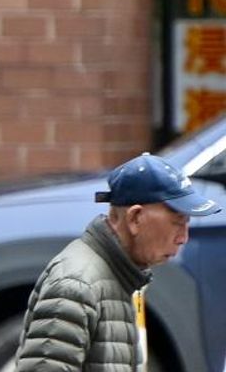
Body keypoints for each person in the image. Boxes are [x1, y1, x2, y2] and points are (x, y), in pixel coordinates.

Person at [16, 153, 221, 371]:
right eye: (177, 222)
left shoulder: (119, 276)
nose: (184, 237)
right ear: (135, 218)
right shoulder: (76, 285)